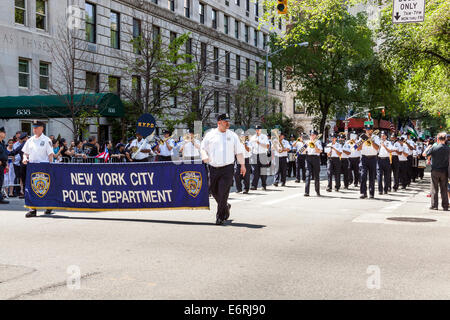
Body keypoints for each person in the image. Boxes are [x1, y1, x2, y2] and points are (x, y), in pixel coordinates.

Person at [201, 113, 245, 225]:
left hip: (228, 168)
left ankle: (220, 217)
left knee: (223, 192)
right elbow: (202, 148)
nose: (228, 123)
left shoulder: (233, 135)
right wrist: (204, 156)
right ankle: (225, 206)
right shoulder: (210, 135)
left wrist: (243, 165)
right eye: (225, 121)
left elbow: (239, 152)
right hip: (213, 168)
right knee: (213, 191)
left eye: (228, 121)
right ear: (219, 123)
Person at [21, 121, 54, 217]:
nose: (34, 129)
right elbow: (25, 153)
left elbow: (50, 155)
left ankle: (48, 206)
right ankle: (32, 209)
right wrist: (24, 158)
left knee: (45, 188)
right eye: (33, 127)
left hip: (44, 167)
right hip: (32, 167)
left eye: (36, 127)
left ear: (42, 128)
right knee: (31, 188)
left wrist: (50, 166)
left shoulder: (46, 140)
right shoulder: (30, 140)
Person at [423, 132, 449, 211]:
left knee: (434, 188)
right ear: (445, 139)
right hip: (444, 170)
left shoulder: (434, 148)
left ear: (438, 139)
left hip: (435, 170)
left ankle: (434, 205)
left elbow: (424, 154)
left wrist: (428, 147)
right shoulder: (448, 148)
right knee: (444, 189)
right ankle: (445, 206)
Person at [357, 122, 380, 199]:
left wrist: (371, 140)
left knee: (372, 176)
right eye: (366, 129)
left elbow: (377, 148)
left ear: (372, 130)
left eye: (369, 130)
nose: (368, 131)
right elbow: (357, 148)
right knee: (363, 175)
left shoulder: (376, 137)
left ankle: (371, 193)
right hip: (364, 158)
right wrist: (363, 140)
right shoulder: (362, 137)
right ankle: (363, 192)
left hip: (373, 158)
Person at [250, 125, 270, 191]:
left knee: (263, 171)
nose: (257, 130)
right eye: (256, 129)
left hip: (262, 155)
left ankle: (264, 185)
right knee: (254, 171)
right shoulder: (252, 138)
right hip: (254, 155)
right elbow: (250, 147)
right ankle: (254, 186)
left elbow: (267, 146)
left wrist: (260, 143)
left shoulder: (264, 137)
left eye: (258, 129)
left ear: (261, 130)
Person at [304, 130, 323, 197]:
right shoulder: (307, 142)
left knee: (316, 175)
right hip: (308, 158)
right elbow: (303, 151)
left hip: (316, 158)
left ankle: (317, 191)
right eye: (311, 135)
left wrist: (314, 145)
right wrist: (305, 146)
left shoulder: (318, 142)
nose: (312, 136)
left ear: (316, 136)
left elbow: (320, 151)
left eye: (313, 135)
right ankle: (306, 192)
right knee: (308, 174)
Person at [0, 127, 10, 204]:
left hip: (2, 165)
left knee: (1, 181)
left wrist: (6, 165)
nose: (5, 134)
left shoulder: (3, 143)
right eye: (3, 132)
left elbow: (5, 154)